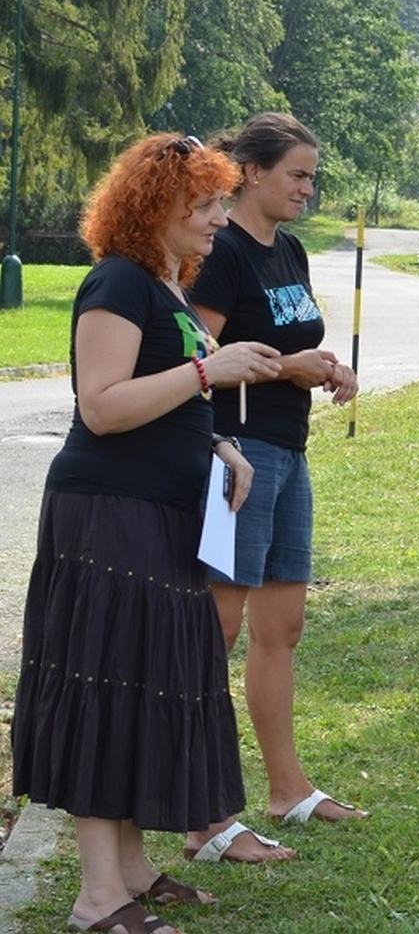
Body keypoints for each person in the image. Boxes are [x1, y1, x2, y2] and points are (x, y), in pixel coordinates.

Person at [11, 134, 283, 932]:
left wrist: (217, 442)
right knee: (107, 684)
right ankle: (97, 899)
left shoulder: (164, 286)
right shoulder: (118, 281)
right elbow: (102, 405)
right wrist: (210, 370)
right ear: (153, 207)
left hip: (160, 515)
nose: (216, 218)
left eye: (217, 201)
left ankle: (129, 871)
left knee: (142, 681)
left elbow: (160, 405)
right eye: (201, 205)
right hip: (106, 515)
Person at [185, 113, 365, 863]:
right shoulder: (221, 250)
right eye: (296, 173)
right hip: (238, 453)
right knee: (214, 635)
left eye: (312, 175)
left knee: (280, 628)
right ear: (251, 172)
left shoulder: (288, 249)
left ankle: (287, 789)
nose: (308, 188)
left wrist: (325, 365)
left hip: (290, 450)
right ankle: (201, 817)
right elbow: (193, 347)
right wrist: (285, 367)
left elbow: (292, 339)